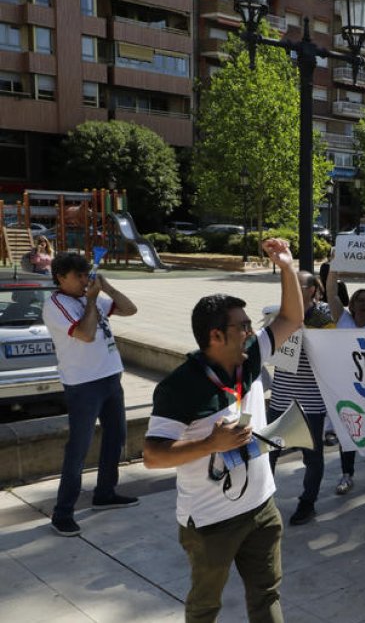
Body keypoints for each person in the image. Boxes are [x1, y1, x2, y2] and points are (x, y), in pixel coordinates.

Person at [142, 238, 302, 623]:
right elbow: (152, 456)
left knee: (267, 595)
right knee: (204, 607)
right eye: (242, 326)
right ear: (216, 335)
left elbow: (291, 319)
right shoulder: (180, 386)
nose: (251, 331)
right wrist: (210, 443)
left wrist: (287, 268)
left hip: (262, 507)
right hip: (210, 522)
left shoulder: (248, 360)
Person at [44, 253, 139, 536]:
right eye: (79, 276)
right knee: (78, 449)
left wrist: (107, 287)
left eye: (87, 275)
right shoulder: (55, 305)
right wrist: (92, 300)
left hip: (110, 376)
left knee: (116, 437)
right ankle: (62, 513)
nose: (86, 281)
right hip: (83, 384)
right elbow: (85, 334)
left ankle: (105, 493)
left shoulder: (93, 295)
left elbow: (130, 309)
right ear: (61, 277)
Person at [266, 270, 335, 526]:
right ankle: (263, 502)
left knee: (312, 457)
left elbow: (331, 351)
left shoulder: (323, 315)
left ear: (313, 290)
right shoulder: (279, 313)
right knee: (268, 454)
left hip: (310, 402)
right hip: (281, 398)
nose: (290, 287)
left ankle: (308, 503)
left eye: (297, 284)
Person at [325, 264, 365, 497]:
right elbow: (331, 293)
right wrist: (334, 265)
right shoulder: (343, 320)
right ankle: (347, 475)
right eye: (360, 300)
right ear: (351, 305)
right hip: (347, 388)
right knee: (348, 433)